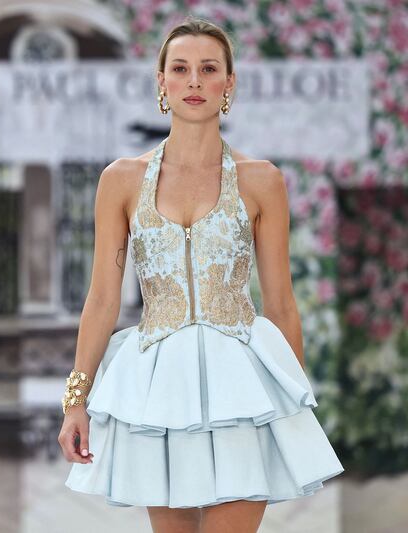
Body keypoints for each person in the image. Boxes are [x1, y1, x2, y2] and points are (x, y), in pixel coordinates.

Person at [59, 17, 344, 533]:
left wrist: (291, 407)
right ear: (161, 82)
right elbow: (102, 298)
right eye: (180, 68)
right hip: (159, 393)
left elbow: (281, 303)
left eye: (209, 69)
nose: (194, 81)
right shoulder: (121, 180)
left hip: (242, 388)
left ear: (228, 83)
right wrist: (75, 401)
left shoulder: (262, 181)